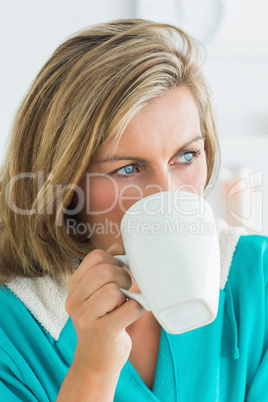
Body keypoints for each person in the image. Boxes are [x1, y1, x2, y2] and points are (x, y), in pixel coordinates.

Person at [0, 19, 267, 402]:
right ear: (65, 187)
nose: (168, 192)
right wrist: (93, 371)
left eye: (187, 156)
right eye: (127, 169)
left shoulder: (257, 278)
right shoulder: (14, 330)